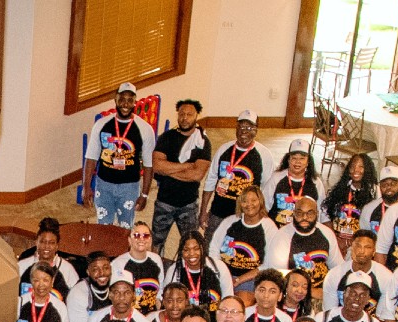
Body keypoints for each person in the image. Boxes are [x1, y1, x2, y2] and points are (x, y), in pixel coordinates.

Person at [84, 83, 155, 226]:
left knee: (126, 228)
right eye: (122, 99)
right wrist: (86, 188)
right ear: (115, 100)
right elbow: (91, 158)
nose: (125, 104)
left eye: (130, 100)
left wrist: (145, 194)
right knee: (103, 228)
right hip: (104, 185)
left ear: (135, 102)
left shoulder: (145, 129)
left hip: (129, 187)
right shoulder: (101, 125)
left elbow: (148, 165)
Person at [150, 98, 211, 248]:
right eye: (182, 114)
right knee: (156, 243)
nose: (185, 118)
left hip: (189, 204)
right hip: (164, 202)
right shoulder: (166, 137)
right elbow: (157, 166)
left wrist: (168, 170)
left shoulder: (203, 142)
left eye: (189, 114)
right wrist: (187, 166)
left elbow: (197, 175)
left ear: (196, 116)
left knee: (191, 245)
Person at [203, 110, 270, 234]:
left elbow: (267, 189)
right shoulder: (223, 149)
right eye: (241, 126)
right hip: (219, 211)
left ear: (256, 130)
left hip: (246, 215)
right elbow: (210, 180)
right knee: (211, 248)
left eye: (249, 127)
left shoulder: (264, 155)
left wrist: (262, 216)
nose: (244, 131)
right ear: (236, 128)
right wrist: (203, 212)